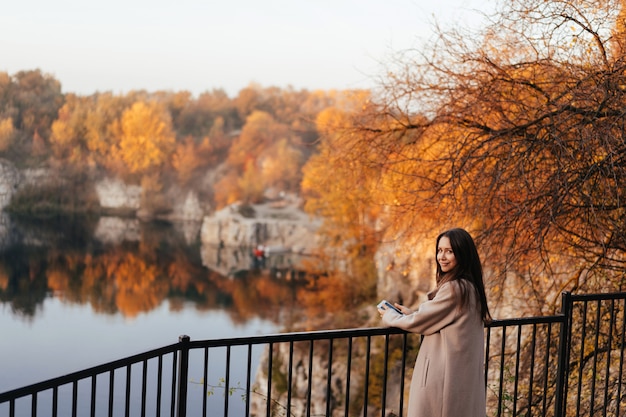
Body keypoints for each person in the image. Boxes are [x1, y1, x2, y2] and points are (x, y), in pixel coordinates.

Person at [378, 228, 491, 417]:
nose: (442, 257)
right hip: (459, 377)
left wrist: (391, 316)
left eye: (449, 251)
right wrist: (413, 313)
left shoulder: (455, 289)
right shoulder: (471, 286)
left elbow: (420, 322)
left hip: (443, 379)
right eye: (439, 250)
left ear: (462, 254)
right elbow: (442, 318)